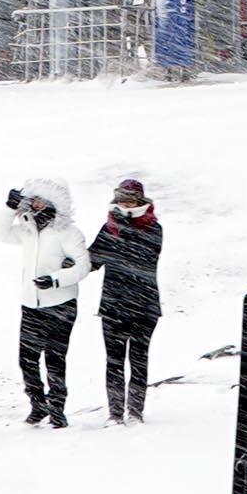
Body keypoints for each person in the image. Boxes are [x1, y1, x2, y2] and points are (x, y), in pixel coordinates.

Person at [0, 177, 88, 428]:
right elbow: (1, 234)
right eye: (33, 199)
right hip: (31, 305)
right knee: (26, 359)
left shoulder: (68, 232)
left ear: (54, 202)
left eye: (42, 200)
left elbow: (83, 265)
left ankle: (57, 410)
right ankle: (38, 406)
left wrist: (56, 280)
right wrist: (9, 208)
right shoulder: (27, 230)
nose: (36, 204)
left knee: (55, 360)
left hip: (61, 305)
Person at [85, 177, 165, 424]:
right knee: (114, 361)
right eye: (121, 200)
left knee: (139, 359)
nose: (126, 204)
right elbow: (94, 260)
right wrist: (67, 263)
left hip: (144, 305)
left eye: (130, 200)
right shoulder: (109, 227)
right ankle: (115, 413)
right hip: (113, 305)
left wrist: (119, 230)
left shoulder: (154, 228)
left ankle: (135, 412)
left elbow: (142, 257)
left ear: (140, 201)